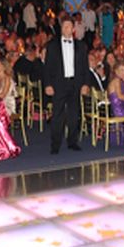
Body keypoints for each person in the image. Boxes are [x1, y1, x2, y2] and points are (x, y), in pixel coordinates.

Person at [44, 16, 89, 154]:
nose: (66, 29)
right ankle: (55, 144)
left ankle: (72, 142)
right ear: (61, 28)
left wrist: (85, 84)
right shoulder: (52, 45)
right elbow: (47, 67)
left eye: (69, 26)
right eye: (64, 26)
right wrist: (48, 85)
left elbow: (85, 67)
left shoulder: (81, 46)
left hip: (75, 83)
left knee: (74, 114)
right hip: (59, 83)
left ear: (74, 29)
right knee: (57, 115)